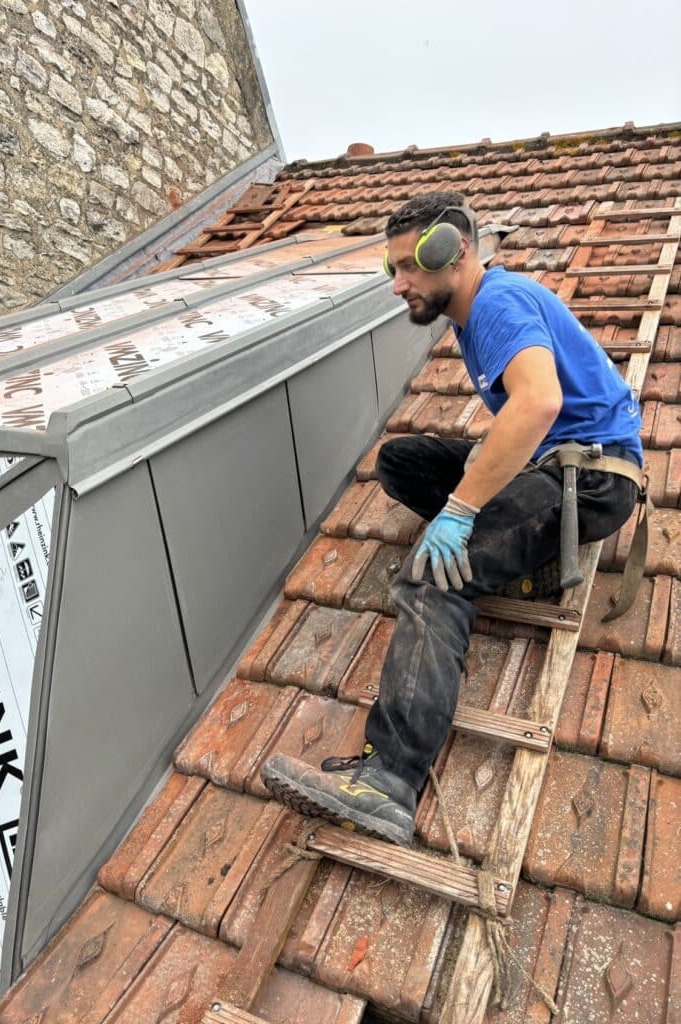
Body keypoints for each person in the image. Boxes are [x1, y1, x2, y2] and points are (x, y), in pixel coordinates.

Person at [261, 191, 642, 847]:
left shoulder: (493, 303)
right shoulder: (476, 313)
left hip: (588, 481)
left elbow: (538, 403)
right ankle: (520, 551)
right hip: (555, 469)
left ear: (455, 253)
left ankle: (389, 783)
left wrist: (461, 513)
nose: (398, 285)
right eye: (392, 270)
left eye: (410, 267)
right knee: (402, 462)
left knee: (429, 577)